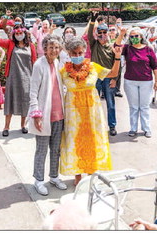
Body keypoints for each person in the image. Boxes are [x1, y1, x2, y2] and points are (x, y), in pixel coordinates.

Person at [59, 37, 121, 185]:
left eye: (80, 52)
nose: (78, 55)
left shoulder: (93, 67)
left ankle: (92, 172)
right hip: (73, 114)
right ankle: (78, 175)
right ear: (69, 53)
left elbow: (112, 73)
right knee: (74, 142)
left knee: (92, 140)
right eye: (74, 53)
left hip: (92, 111)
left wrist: (117, 57)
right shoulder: (63, 71)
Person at [28, 34, 67, 196]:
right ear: (45, 49)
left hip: (59, 115)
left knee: (56, 149)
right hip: (44, 115)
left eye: (57, 47)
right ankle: (38, 179)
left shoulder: (59, 63)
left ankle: (54, 176)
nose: (54, 50)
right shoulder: (39, 65)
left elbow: (62, 86)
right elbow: (33, 91)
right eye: (51, 47)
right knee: (42, 149)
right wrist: (36, 114)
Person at [0, 18, 37, 137]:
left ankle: (23, 125)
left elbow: (34, 61)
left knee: (25, 101)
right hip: (13, 77)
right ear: (14, 34)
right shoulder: (10, 44)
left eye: (20, 33)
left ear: (24, 34)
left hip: (27, 78)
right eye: (16, 33)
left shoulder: (31, 46)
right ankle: (6, 126)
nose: (19, 35)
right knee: (10, 101)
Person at [120, 27, 157, 138]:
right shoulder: (127, 48)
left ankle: (146, 128)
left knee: (144, 106)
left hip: (146, 81)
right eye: (131, 36)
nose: (134, 38)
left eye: (136, 36)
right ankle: (133, 128)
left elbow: (155, 67)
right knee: (133, 106)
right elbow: (117, 47)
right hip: (130, 81)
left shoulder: (148, 49)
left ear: (141, 36)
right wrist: (121, 34)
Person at [88, 11, 122, 136]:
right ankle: (95, 125)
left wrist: (115, 79)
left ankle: (112, 126)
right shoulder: (94, 45)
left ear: (108, 33)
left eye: (104, 32)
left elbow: (117, 65)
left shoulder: (112, 47)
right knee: (94, 103)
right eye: (100, 33)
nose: (102, 35)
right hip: (95, 78)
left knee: (110, 103)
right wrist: (93, 21)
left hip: (108, 78)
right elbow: (89, 34)